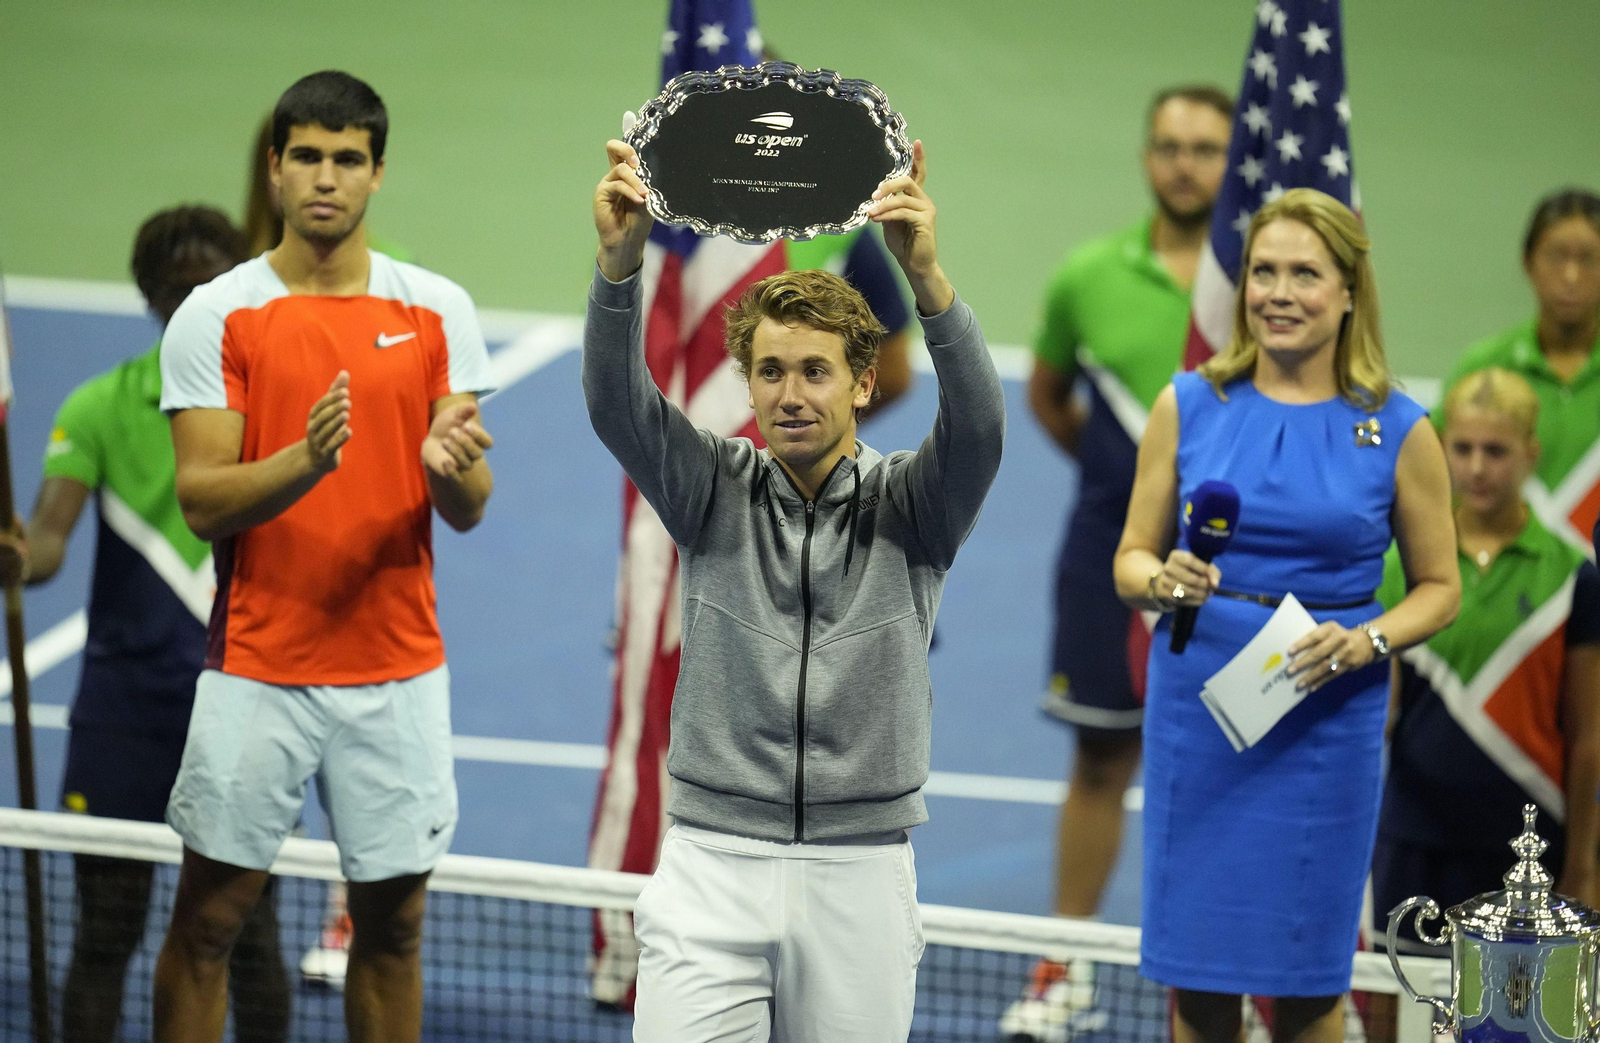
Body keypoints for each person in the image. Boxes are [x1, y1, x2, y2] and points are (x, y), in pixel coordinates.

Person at [585, 136, 1003, 1040]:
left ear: (862, 382)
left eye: (816, 371)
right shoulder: (711, 487)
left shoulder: (912, 507)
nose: (791, 394)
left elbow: (978, 429)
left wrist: (926, 280)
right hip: (710, 865)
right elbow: (620, 406)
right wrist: (619, 272)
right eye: (770, 371)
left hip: (860, 874)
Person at [150, 70, 495, 1043]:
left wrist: (443, 467)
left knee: (394, 928)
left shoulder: (436, 309)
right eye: (307, 155)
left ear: (377, 173)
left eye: (348, 159)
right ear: (275, 167)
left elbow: (469, 507)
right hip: (257, 666)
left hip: (398, 673)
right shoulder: (217, 315)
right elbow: (203, 498)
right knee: (209, 920)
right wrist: (308, 458)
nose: (326, 178)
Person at [1112, 188, 1460, 1043]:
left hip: (1326, 714)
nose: (1279, 292)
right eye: (1264, 271)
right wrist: (1164, 582)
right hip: (1201, 709)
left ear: (1348, 292)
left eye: (1305, 273)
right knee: (1197, 978)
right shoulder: (1187, 404)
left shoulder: (1399, 426)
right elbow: (1129, 559)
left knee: (1307, 983)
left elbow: (1439, 586)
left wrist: (1368, 639)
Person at [15, 206, 289, 1043]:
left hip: (242, 704)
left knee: (248, 937)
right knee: (107, 931)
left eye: (210, 272)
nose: (193, 287)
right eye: (177, 277)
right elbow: (48, 541)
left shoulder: (273, 399)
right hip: (122, 714)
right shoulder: (97, 406)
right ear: (151, 293)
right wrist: (16, 558)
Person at [1003, 83, 1232, 1041]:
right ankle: (1067, 966)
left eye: (1207, 148)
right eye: (1170, 146)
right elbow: (1051, 396)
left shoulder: (1259, 284)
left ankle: (1226, 975)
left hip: (1230, 566)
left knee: (1231, 763)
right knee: (1099, 758)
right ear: (1147, 157)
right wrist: (1131, 500)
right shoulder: (1086, 275)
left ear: (1234, 161)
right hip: (1107, 554)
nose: (1186, 163)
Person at [1367, 367, 1600, 1034]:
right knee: (1395, 1009)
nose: (1476, 467)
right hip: (1412, 835)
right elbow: (1378, 713)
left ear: (1531, 452)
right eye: (1461, 447)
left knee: (1512, 1026)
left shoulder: (1571, 576)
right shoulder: (1400, 562)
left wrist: (1584, 861)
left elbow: (1589, 736)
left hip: (1525, 844)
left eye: (1495, 451)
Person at [1439, 190, 1600, 547]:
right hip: (1502, 578)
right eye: (1557, 257)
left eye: (1589, 259)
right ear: (1529, 263)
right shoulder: (1483, 366)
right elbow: (1435, 476)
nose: (1571, 276)